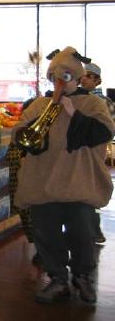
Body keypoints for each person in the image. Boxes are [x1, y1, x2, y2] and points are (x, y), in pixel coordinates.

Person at [13, 47, 115, 304]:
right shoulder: (39, 104)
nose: (59, 82)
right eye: (55, 77)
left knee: (82, 234)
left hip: (78, 183)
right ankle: (57, 279)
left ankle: (83, 277)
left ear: (78, 77)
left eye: (66, 76)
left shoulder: (93, 103)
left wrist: (73, 112)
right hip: (42, 184)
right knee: (45, 234)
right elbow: (22, 134)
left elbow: (103, 133)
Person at [80, 62, 112, 244]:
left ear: (97, 81)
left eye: (89, 76)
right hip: (81, 153)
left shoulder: (103, 102)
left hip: (94, 153)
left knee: (91, 190)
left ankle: (93, 230)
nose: (84, 79)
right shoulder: (79, 98)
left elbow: (108, 129)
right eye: (82, 75)